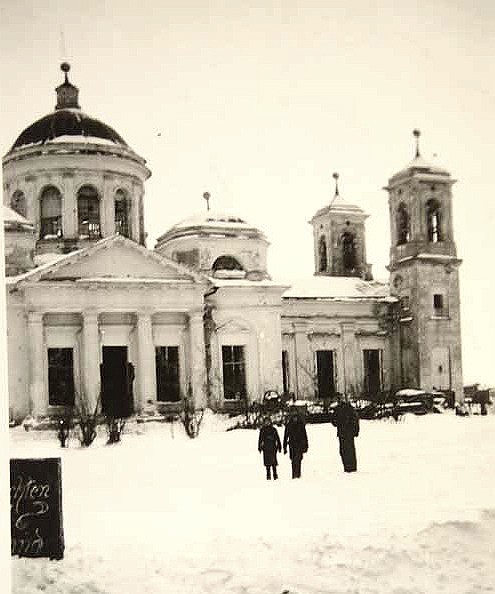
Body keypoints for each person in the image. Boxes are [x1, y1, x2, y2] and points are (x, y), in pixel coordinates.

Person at [331, 395, 360, 472]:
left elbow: (355, 419)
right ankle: (350, 467)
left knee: (346, 451)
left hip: (346, 433)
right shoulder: (345, 408)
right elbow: (334, 422)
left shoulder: (344, 408)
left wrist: (355, 430)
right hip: (345, 433)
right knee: (347, 451)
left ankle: (349, 467)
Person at [283, 410, 309, 478]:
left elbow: (305, 436)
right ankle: (294, 474)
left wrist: (306, 446)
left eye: (296, 417)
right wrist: (284, 447)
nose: (295, 418)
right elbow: (285, 436)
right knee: (293, 460)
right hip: (292, 445)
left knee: (299, 459)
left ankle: (298, 474)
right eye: (294, 417)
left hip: (300, 445)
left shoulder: (301, 424)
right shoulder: (289, 425)